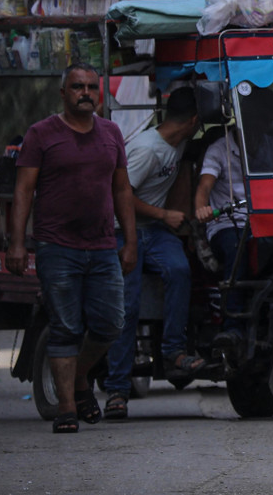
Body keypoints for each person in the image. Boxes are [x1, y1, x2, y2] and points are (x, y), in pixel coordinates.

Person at [7, 64, 136, 433]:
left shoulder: (111, 133)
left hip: (102, 245)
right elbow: (23, 191)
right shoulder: (41, 134)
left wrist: (130, 243)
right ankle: (66, 407)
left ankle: (79, 379)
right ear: (63, 93)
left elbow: (122, 190)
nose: (86, 93)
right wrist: (17, 243)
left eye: (92, 87)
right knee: (66, 327)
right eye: (77, 87)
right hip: (56, 245)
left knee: (111, 323)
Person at [102, 87, 203, 420]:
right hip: (125, 228)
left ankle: (173, 350)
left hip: (155, 231)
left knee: (180, 270)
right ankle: (117, 389)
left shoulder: (179, 143)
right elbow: (121, 197)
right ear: (192, 121)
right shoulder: (147, 150)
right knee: (127, 307)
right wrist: (164, 215)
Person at [194, 86, 273, 345]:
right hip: (229, 223)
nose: (260, 125)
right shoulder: (219, 149)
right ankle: (233, 326)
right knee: (237, 249)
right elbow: (204, 186)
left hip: (267, 222)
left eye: (266, 119)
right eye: (257, 117)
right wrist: (201, 208)